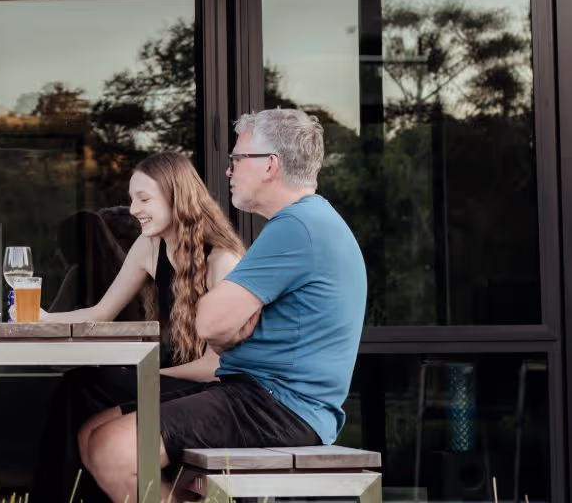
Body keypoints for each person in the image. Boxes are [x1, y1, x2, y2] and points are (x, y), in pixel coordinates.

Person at [80, 109, 367, 502]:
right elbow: (223, 323)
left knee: (113, 449)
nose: (229, 170)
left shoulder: (296, 227)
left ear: (270, 165)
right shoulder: (304, 222)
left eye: (237, 159)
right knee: (93, 429)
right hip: (256, 393)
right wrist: (233, 322)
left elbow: (210, 323)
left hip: (280, 406)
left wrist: (230, 323)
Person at [32, 152, 246, 502]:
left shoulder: (221, 260)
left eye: (144, 199)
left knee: (86, 388)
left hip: (216, 392)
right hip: (178, 379)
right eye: (132, 199)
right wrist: (39, 318)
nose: (133, 210)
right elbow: (100, 313)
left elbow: (216, 367)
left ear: (177, 197)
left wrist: (148, 371)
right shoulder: (150, 246)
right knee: (85, 414)